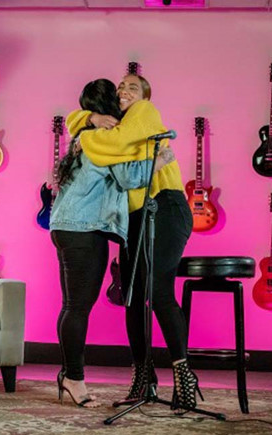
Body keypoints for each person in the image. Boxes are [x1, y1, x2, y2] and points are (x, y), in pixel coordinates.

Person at [66, 73, 199, 414]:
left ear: (144, 96)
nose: (125, 90)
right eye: (121, 87)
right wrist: (90, 119)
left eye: (133, 87)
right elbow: (74, 121)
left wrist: (89, 132)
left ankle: (184, 375)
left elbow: (111, 146)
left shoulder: (143, 112)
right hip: (135, 218)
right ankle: (143, 377)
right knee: (133, 298)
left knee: (158, 290)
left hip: (165, 207)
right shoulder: (117, 124)